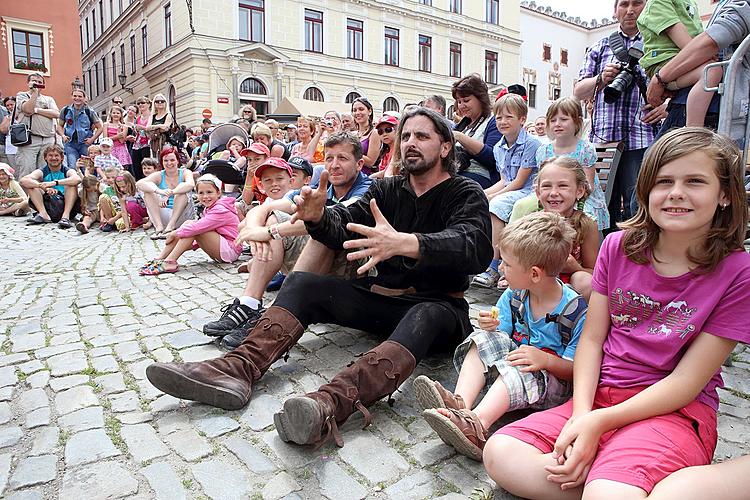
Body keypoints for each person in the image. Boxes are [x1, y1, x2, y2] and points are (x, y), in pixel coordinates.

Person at [145, 109, 493, 451]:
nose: (410, 143)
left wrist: (409, 243)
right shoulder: (387, 190)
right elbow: (345, 220)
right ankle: (237, 369)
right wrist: (317, 217)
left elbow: (475, 246)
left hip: (439, 306)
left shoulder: (465, 192)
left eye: (422, 136)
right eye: (405, 136)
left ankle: (328, 405)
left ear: (445, 147)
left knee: (426, 314)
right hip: (381, 299)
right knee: (301, 284)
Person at [483, 127, 750, 498]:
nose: (675, 193)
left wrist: (598, 423)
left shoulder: (737, 271)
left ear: (723, 195)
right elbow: (592, 340)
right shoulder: (617, 247)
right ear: (646, 190)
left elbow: (687, 382)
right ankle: (616, 480)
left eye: (695, 181)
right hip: (602, 395)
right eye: (664, 181)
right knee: (501, 452)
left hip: (671, 409)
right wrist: (581, 415)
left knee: (607, 490)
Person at [416, 211, 584, 461]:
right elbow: (501, 338)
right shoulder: (516, 294)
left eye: (506, 263)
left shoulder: (576, 312)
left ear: (535, 274)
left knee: (521, 368)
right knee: (483, 339)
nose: (500, 268)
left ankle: (477, 426)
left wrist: (546, 361)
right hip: (516, 363)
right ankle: (460, 403)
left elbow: (578, 370)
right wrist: (491, 327)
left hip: (551, 383)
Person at [219, 136, 374, 348]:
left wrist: (269, 232)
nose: (334, 164)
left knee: (323, 230)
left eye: (343, 158)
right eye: (329, 158)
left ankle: (277, 315)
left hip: (356, 272)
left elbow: (335, 219)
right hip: (321, 265)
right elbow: (262, 208)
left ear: (359, 164)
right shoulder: (324, 188)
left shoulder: (368, 188)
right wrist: (257, 231)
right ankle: (250, 303)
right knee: (274, 215)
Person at [573, 0, 665, 227]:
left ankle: (637, 257)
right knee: (603, 206)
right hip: (604, 140)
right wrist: (601, 79)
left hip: (641, 137)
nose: (631, 10)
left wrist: (666, 107)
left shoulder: (658, 43)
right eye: (624, 4)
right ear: (615, 11)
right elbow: (578, 91)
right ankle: (607, 257)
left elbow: (675, 85)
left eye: (637, 3)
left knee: (640, 206)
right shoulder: (600, 46)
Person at [646, 0, 750, 149]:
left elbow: (710, 42)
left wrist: (660, 79)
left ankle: (693, 135)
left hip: (715, 111)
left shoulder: (740, 5)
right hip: (700, 104)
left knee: (661, 165)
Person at [473, 94, 542, 288]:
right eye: (498, 117)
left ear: (522, 119)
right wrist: (483, 193)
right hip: (512, 190)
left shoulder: (531, 144)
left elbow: (519, 181)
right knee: (477, 199)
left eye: (508, 117)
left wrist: (493, 196)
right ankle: (483, 258)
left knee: (496, 204)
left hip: (529, 191)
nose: (502, 122)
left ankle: (495, 266)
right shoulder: (498, 147)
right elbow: (504, 180)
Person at [511, 98, 610, 231]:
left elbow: (588, 184)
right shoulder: (543, 151)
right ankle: (516, 244)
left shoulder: (585, 149)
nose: (557, 124)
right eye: (553, 120)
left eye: (563, 119)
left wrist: (571, 198)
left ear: (577, 122)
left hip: (582, 198)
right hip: (550, 195)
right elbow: (542, 181)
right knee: (521, 205)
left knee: (579, 214)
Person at [637, 0, 718, 128]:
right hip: (664, 62)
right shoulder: (658, 2)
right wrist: (706, 53)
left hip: (682, 60)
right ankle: (693, 129)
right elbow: (688, 44)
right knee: (712, 70)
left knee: (712, 70)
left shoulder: (690, 3)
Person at [140, 174, 241, 275]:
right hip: (222, 247)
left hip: (230, 251)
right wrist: (186, 243)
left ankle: (170, 261)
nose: (205, 196)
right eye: (201, 193)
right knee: (190, 224)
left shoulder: (220, 210)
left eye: (209, 192)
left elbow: (197, 229)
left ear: (218, 193)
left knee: (192, 228)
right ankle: (160, 258)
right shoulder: (211, 207)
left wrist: (173, 233)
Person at [451, 74, 502, 189]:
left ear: (480, 98)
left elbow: (494, 158)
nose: (461, 106)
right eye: (459, 101)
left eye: (466, 100)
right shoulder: (462, 124)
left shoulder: (493, 121)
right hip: (456, 173)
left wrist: (460, 137)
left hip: (481, 177)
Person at [136, 147, 196, 239]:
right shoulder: (159, 175)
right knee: (148, 192)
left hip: (182, 215)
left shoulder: (185, 172)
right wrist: (159, 192)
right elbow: (140, 184)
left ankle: (170, 227)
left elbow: (190, 184)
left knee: (183, 191)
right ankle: (159, 227)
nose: (169, 163)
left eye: (172, 160)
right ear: (162, 162)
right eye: (166, 160)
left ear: (177, 161)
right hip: (163, 213)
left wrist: (171, 192)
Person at [20, 144, 80, 227]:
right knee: (32, 185)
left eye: (56, 155)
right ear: (45, 158)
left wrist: (54, 183)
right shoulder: (42, 171)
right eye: (50, 155)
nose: (53, 158)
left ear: (62, 158)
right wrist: (43, 187)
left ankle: (65, 217)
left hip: (65, 204)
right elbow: (23, 180)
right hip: (49, 205)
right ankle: (43, 214)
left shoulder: (67, 170)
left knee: (71, 184)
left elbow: (77, 179)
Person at [14, 73, 60, 179]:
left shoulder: (49, 99)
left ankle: (43, 195)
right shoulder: (22, 95)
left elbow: (56, 114)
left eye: (40, 82)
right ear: (28, 83)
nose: (37, 84)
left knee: (44, 171)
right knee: (27, 170)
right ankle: (26, 196)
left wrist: (36, 110)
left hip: (47, 139)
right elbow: (27, 109)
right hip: (29, 139)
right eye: (34, 81)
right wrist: (34, 93)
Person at [57, 89, 102, 171]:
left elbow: (100, 127)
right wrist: (63, 135)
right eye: (75, 96)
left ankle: (85, 183)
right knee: (72, 166)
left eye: (80, 96)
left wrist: (92, 139)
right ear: (72, 97)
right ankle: (74, 183)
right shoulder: (65, 110)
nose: (77, 98)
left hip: (85, 145)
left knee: (86, 168)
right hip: (70, 144)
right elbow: (60, 126)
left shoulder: (89, 111)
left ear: (84, 98)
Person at [351, 97, 381, 174]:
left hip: (363, 175)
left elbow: (371, 162)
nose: (357, 113)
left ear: (369, 111)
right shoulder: (352, 134)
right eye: (354, 110)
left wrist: (350, 152)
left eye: (361, 109)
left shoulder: (374, 133)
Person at [103, 105, 132, 171]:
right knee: (110, 169)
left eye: (118, 113)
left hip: (121, 149)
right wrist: (117, 136)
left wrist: (119, 131)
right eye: (114, 113)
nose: (115, 115)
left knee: (122, 169)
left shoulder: (124, 126)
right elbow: (105, 139)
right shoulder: (106, 125)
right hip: (110, 149)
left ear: (121, 115)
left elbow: (122, 141)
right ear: (111, 114)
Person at [370, 115, 399, 179]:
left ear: (397, 130)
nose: (384, 134)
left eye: (388, 130)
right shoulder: (385, 151)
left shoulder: (399, 149)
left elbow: (387, 171)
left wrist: (369, 177)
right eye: (380, 132)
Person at [130, 97, 152, 180]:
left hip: (148, 144)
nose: (140, 105)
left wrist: (142, 128)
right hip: (137, 144)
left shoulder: (152, 117)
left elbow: (152, 130)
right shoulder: (138, 118)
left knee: (147, 165)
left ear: (148, 104)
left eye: (142, 103)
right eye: (138, 103)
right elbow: (136, 132)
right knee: (137, 167)